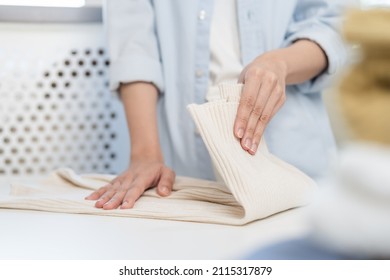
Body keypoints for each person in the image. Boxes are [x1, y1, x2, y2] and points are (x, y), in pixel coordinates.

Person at [86, 0, 346, 210]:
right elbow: (134, 44)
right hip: (179, 168)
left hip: (292, 158)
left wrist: (280, 64)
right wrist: (145, 155)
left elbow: (332, 26)